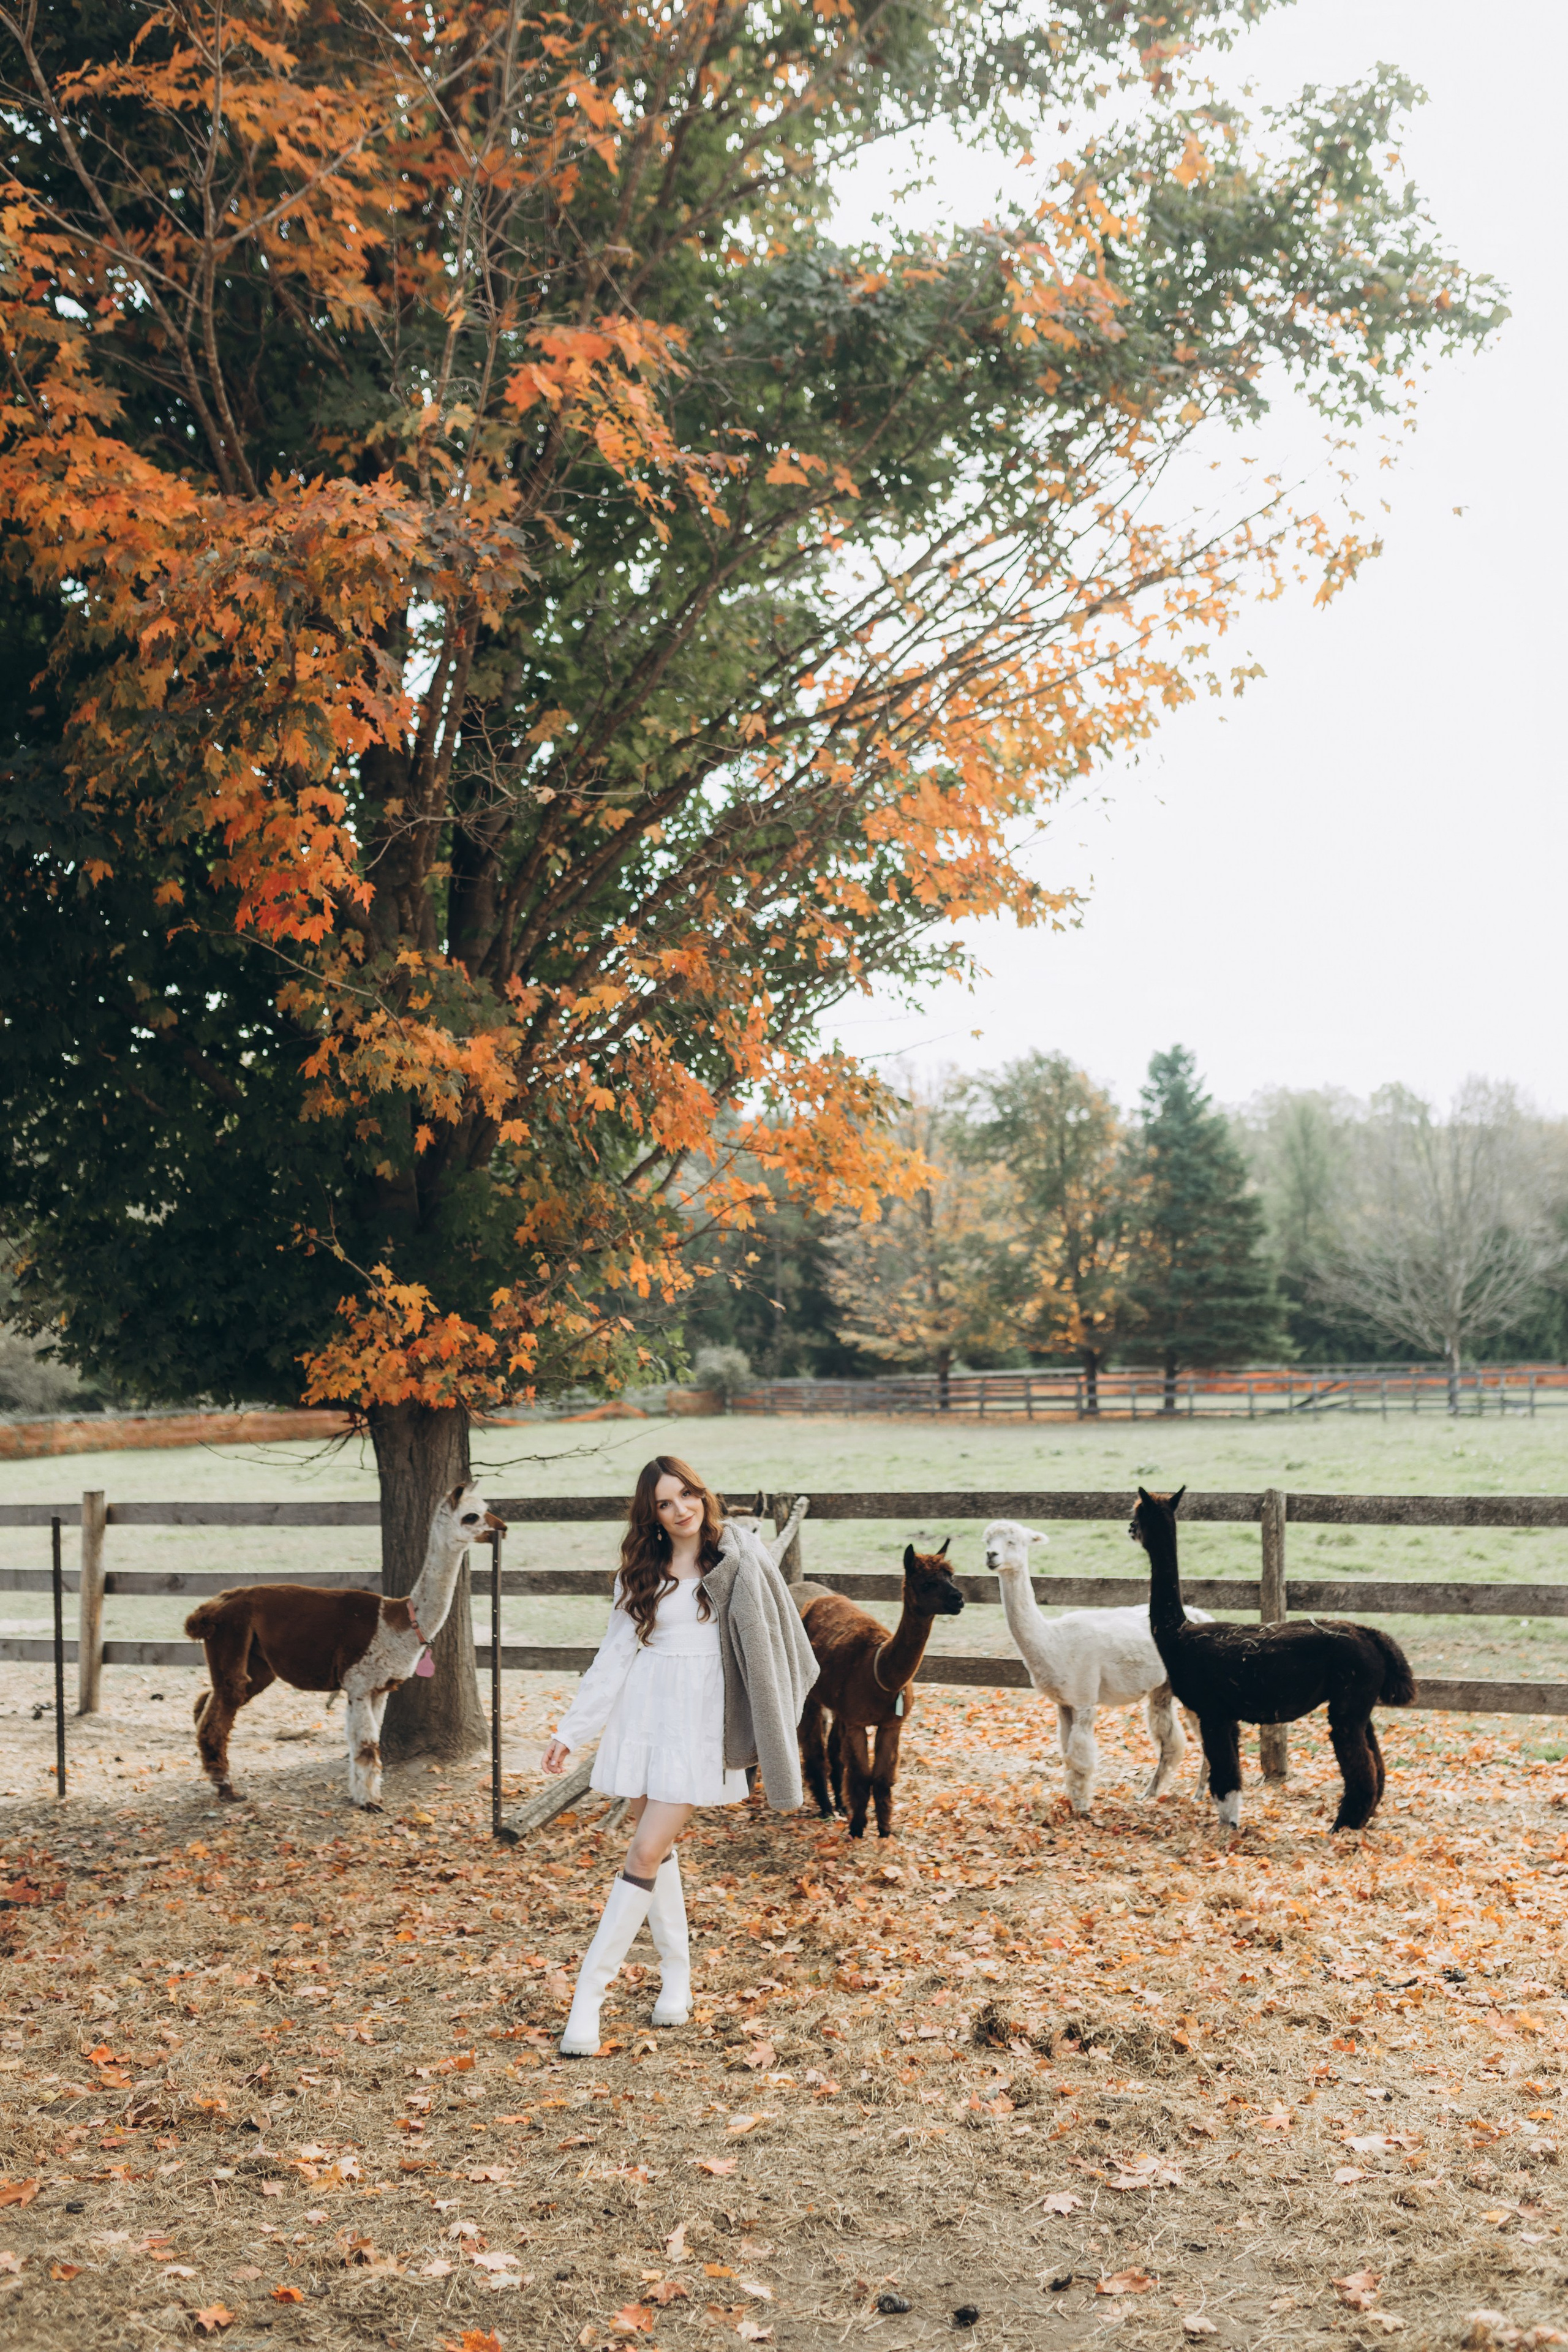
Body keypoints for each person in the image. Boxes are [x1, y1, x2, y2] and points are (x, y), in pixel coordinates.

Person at [540, 1455, 818, 2057]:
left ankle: (588, 1998)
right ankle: (677, 1978)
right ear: (653, 1515)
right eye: (665, 1503)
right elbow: (615, 1655)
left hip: (701, 1722)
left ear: (702, 1494)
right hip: (645, 1717)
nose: (680, 1509)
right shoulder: (641, 1574)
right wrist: (572, 1730)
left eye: (687, 1495)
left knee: (644, 1849)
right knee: (654, 1848)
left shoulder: (738, 1559)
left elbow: (776, 1640)